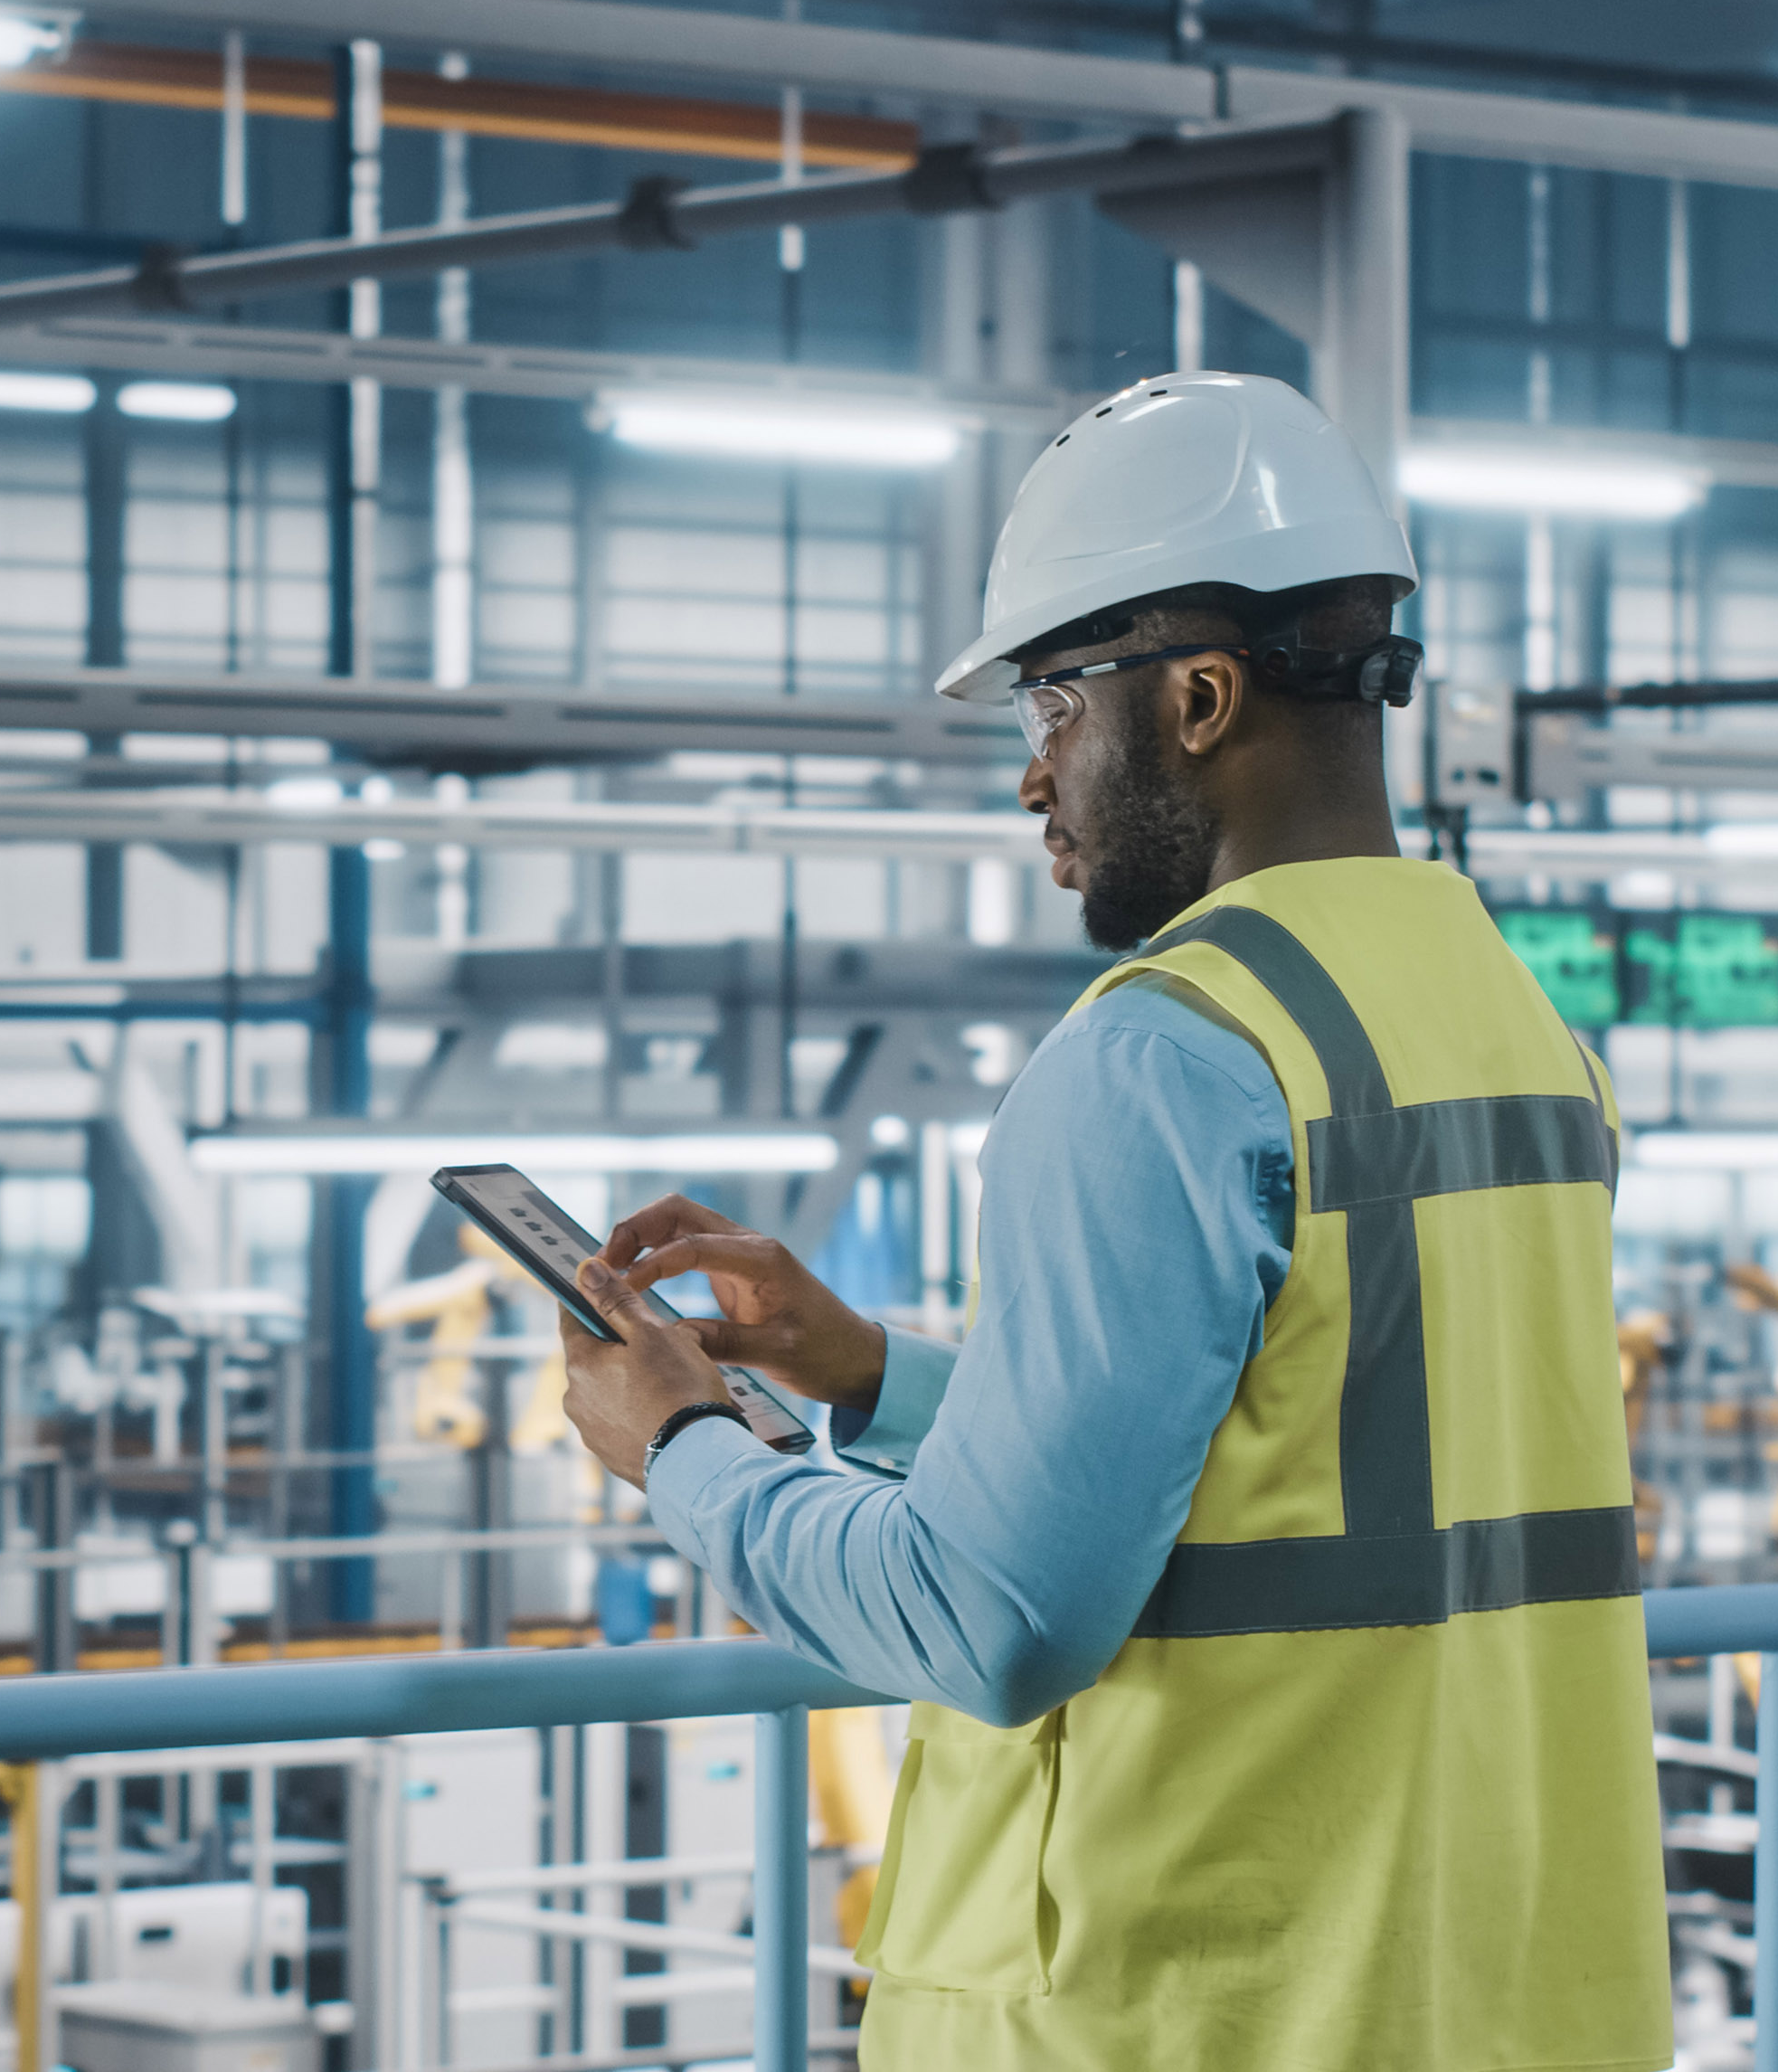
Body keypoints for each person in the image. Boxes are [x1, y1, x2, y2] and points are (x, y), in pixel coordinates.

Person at [552, 371, 1669, 2072]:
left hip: (1200, 2003)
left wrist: (688, 1453)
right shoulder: (1510, 1027)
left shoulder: (1162, 1054)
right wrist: (878, 1380)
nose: (1033, 778)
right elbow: (1324, 1458)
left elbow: (987, 1623)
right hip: (1493, 1991)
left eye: (1051, 703)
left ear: (1202, 698)